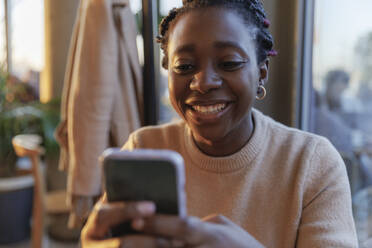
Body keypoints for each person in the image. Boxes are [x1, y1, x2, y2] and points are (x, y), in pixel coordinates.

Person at [81, 0, 358, 247]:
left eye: (229, 63)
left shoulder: (312, 164)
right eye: (185, 66)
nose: (203, 83)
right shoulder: (144, 148)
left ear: (261, 73)